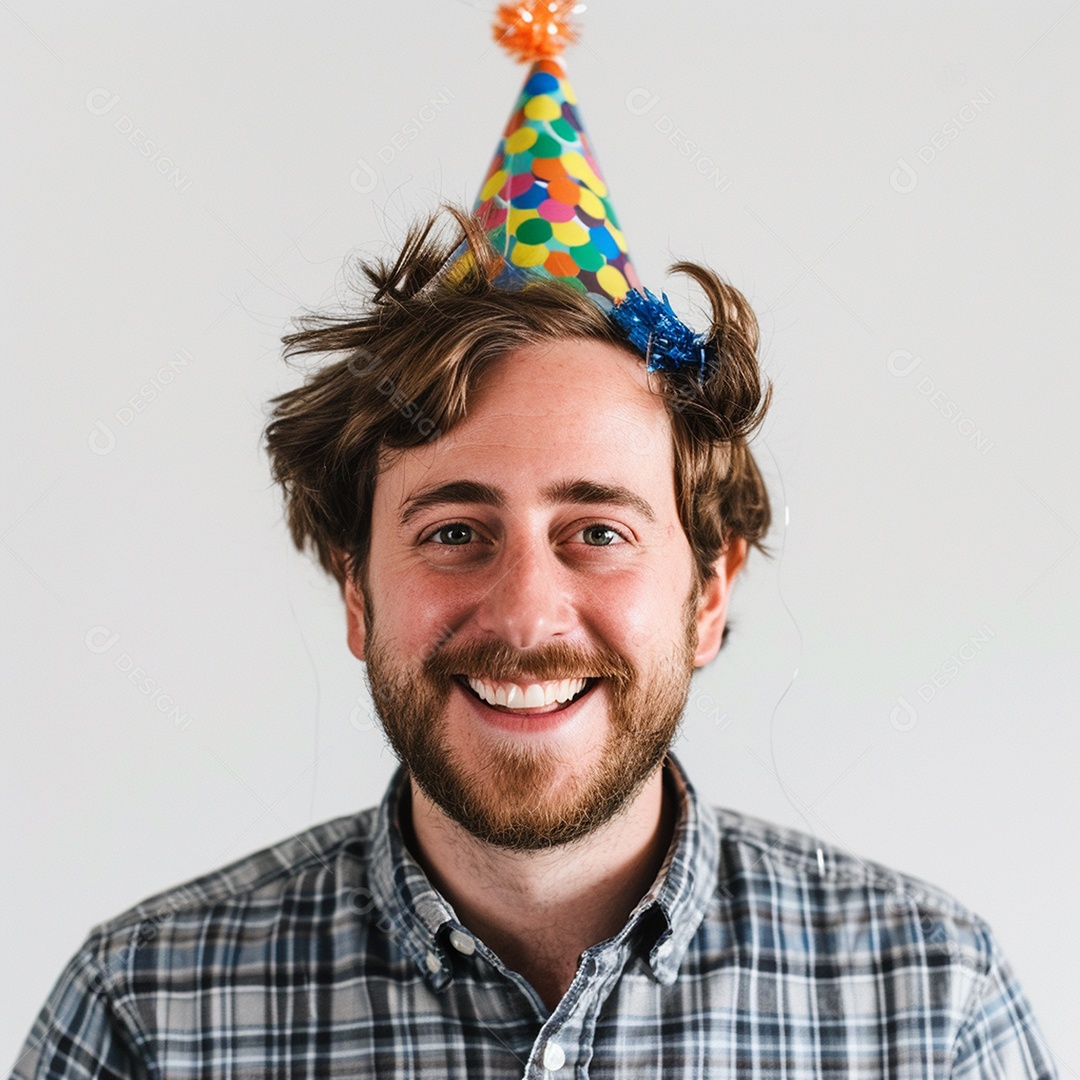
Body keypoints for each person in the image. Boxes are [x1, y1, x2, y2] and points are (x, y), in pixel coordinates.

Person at [11, 5, 1058, 1078]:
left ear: (708, 590)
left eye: (596, 531)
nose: (523, 613)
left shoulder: (933, 1004)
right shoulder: (143, 1011)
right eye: (455, 530)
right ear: (356, 592)